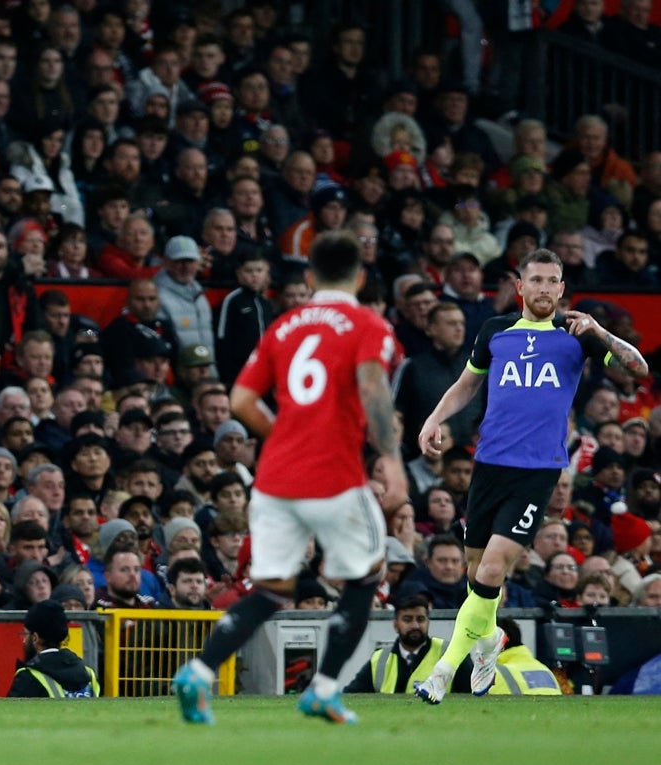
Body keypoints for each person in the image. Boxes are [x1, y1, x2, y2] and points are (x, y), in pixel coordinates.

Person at [173, 231, 405, 725]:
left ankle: (198, 670)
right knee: (367, 574)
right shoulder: (369, 324)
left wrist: (284, 434)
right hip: (336, 477)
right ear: (360, 277)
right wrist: (391, 459)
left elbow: (238, 403)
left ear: (308, 277)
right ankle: (323, 688)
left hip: (275, 479)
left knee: (272, 589)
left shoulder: (283, 327)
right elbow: (371, 386)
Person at [413, 249, 648, 705]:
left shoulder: (577, 335)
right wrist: (433, 419)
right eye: (535, 280)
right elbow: (468, 383)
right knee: (476, 573)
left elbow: (637, 370)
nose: (543, 288)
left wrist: (600, 330)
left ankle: (443, 672)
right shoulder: (495, 331)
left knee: (494, 569)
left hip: (537, 471)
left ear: (562, 289)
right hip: (489, 466)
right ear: (520, 287)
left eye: (552, 281)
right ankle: (487, 643)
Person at [344, 595, 472, 694]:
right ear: (395, 624)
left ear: (428, 622)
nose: (415, 625)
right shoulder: (380, 660)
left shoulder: (451, 653)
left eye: (420, 619)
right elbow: (352, 697)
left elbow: (472, 696)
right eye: (407, 619)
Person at [6, 599, 100, 698]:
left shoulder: (28, 677)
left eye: (25, 634)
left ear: (35, 638)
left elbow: (8, 712)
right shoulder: (89, 674)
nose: (24, 640)